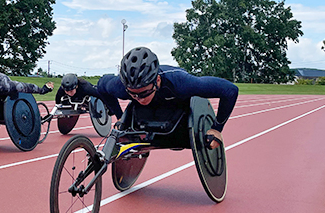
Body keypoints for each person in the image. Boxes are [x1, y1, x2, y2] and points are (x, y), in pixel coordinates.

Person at [97, 47, 238, 148]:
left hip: (177, 103)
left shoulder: (181, 82)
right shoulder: (119, 86)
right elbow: (101, 85)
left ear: (157, 81)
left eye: (144, 93)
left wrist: (217, 129)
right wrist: (119, 116)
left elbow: (230, 90)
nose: (139, 98)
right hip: (146, 111)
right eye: (133, 94)